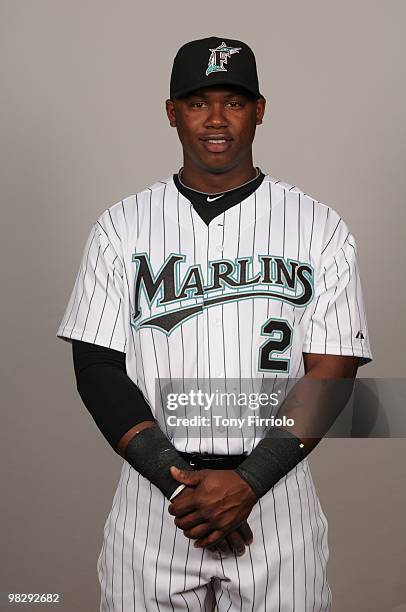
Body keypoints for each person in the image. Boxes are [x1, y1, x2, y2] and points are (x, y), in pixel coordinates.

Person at [56, 36, 372, 611]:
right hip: (155, 500)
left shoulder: (318, 226)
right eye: (199, 102)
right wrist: (179, 483)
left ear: (260, 110)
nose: (217, 119)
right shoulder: (121, 227)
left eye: (234, 100)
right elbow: (97, 367)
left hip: (277, 500)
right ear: (171, 112)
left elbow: (333, 371)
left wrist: (249, 482)